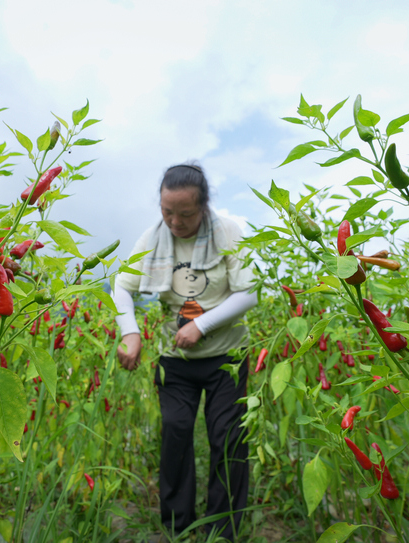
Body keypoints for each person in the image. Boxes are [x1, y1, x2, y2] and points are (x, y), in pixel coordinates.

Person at [113, 163, 258, 542]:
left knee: (227, 436)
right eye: (167, 211)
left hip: (227, 356)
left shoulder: (228, 232)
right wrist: (130, 332)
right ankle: (177, 525)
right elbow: (121, 285)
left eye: (186, 214)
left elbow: (249, 292)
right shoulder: (153, 237)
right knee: (176, 430)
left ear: (204, 207)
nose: (175, 222)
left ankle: (222, 530)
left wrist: (202, 325)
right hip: (174, 361)